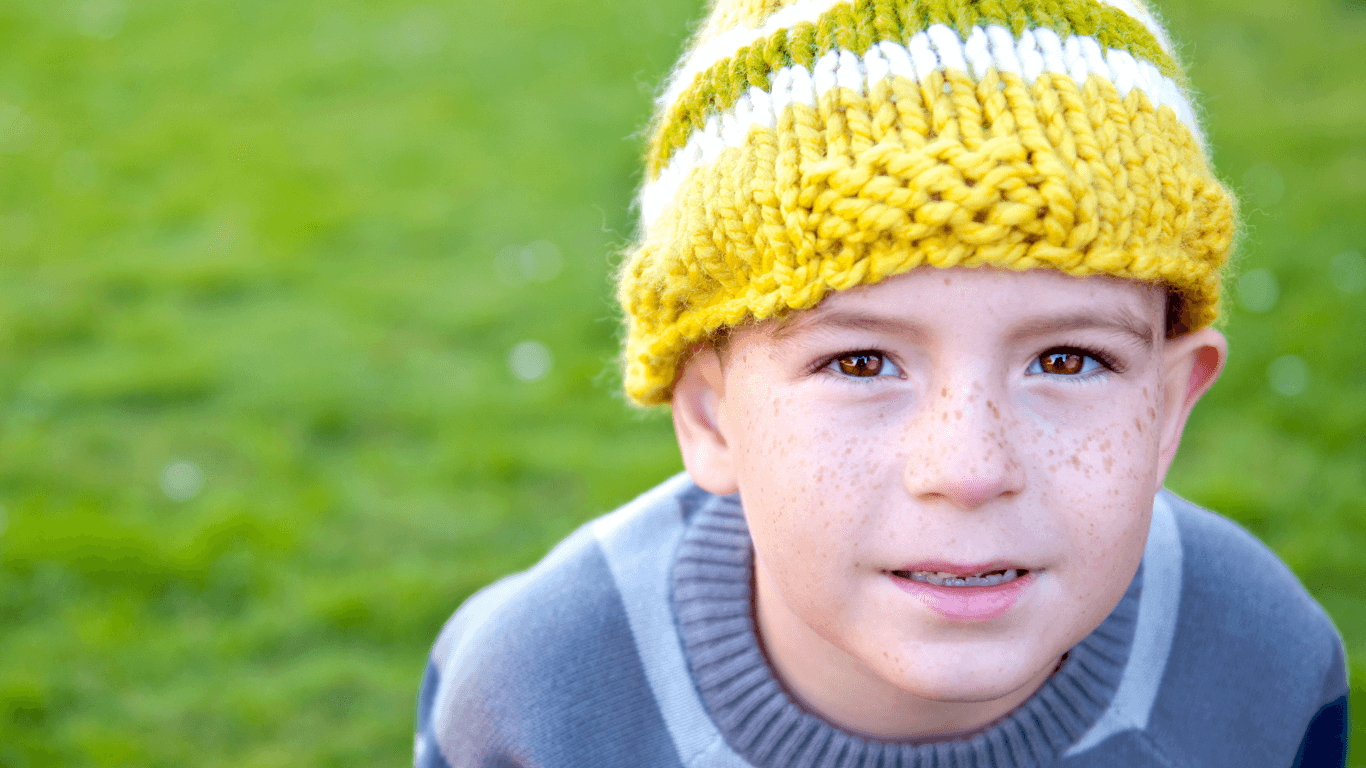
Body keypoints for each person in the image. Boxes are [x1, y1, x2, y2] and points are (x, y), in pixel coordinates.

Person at [415, 0, 1349, 765]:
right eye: (860, 362)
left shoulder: (1261, 664)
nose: (970, 467)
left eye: (1067, 360)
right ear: (709, 415)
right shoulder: (539, 705)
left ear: (1169, 409)